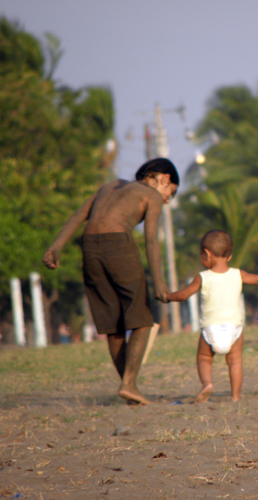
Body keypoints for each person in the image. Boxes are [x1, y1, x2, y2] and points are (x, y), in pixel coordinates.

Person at [43, 158, 179, 405]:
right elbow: (150, 240)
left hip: (89, 248)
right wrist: (159, 281)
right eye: (172, 192)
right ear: (165, 178)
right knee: (142, 318)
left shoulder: (110, 186)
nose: (168, 199)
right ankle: (128, 384)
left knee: (113, 323)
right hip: (118, 245)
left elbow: (78, 215)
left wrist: (56, 246)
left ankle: (130, 389)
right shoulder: (152, 195)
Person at [166, 230, 258, 403]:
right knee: (235, 362)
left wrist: (167, 296)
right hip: (234, 329)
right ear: (229, 256)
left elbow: (182, 296)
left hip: (211, 329)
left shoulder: (202, 277)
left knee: (204, 358)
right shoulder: (238, 274)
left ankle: (207, 384)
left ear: (207, 254)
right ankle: (235, 396)